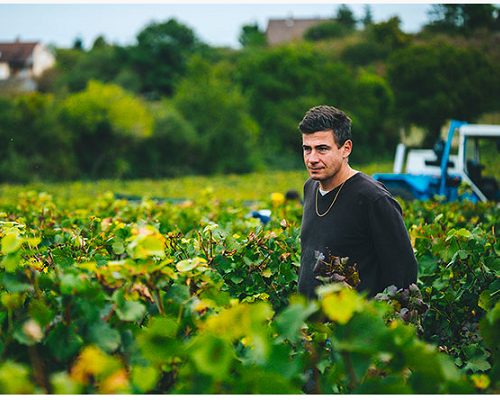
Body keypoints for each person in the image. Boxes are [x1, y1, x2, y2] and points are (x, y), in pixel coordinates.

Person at [297, 105, 418, 299]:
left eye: (322, 149)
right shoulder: (310, 188)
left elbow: (403, 274)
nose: (312, 159)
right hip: (311, 324)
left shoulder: (373, 198)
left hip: (353, 326)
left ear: (346, 149)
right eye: (307, 149)